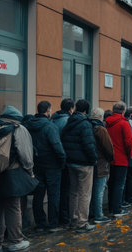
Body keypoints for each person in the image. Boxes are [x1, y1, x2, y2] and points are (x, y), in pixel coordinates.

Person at [23, 101, 66, 232]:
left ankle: (40, 224)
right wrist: (62, 162)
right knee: (53, 195)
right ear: (48, 110)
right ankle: (53, 224)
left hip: (36, 164)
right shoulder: (50, 126)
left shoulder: (28, 125)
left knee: (38, 195)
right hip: (52, 165)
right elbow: (57, 147)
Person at [0, 106, 34, 251]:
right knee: (13, 207)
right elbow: (26, 156)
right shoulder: (18, 129)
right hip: (11, 174)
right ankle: (15, 240)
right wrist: (30, 171)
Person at [62, 99, 97, 232]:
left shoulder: (69, 121)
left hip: (71, 162)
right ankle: (82, 223)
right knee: (84, 193)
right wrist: (93, 159)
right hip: (84, 164)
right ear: (86, 110)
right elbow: (88, 145)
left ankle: (73, 219)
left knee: (73, 192)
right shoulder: (85, 124)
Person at [106, 101, 132, 217]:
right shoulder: (124, 123)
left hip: (110, 157)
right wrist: (129, 155)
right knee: (119, 184)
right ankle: (117, 209)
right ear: (123, 111)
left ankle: (111, 207)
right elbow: (129, 142)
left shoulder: (107, 122)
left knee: (112, 183)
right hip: (121, 157)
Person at [51, 98, 74, 228]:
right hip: (64, 158)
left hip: (52, 159)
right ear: (71, 109)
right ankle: (64, 218)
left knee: (57, 190)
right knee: (65, 190)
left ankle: (58, 217)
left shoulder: (53, 118)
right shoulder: (67, 121)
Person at [89, 108, 114, 224]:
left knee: (91, 190)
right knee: (99, 190)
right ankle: (98, 215)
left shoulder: (89, 127)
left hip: (91, 162)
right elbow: (108, 147)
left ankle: (92, 212)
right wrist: (110, 158)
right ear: (101, 117)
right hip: (101, 163)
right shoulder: (100, 129)